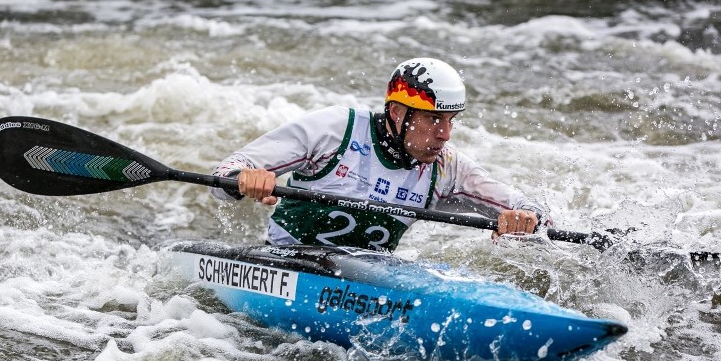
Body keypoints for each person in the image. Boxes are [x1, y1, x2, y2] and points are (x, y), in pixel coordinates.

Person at [211, 57, 549, 251]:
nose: (444, 134)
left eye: (450, 120)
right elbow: (223, 174)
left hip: (369, 281)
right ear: (398, 114)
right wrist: (243, 179)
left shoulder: (447, 168)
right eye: (433, 119)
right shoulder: (335, 129)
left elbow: (530, 208)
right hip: (287, 262)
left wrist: (525, 218)